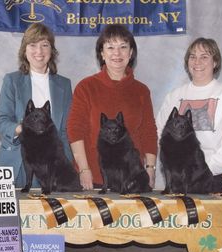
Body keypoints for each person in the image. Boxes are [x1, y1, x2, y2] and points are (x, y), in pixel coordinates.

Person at [67, 24, 158, 191]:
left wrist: (150, 169)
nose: (117, 53)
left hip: (132, 182)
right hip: (92, 179)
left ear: (131, 53)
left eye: (123, 47)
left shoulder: (142, 91)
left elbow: (148, 131)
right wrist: (83, 169)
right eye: (110, 47)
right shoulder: (86, 87)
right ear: (102, 53)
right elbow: (75, 130)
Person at [156, 37, 222, 192]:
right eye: (192, 56)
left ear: (215, 62)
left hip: (217, 177)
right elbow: (159, 133)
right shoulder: (174, 96)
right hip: (180, 179)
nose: (197, 62)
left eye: (204, 57)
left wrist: (203, 169)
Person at [0, 23, 73, 189]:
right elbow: (2, 122)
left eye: (45, 45)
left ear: (52, 51)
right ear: (24, 50)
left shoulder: (64, 85)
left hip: (52, 166)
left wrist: (68, 166)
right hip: (20, 164)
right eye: (33, 45)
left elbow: (66, 131)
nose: (39, 51)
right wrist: (21, 128)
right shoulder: (12, 81)